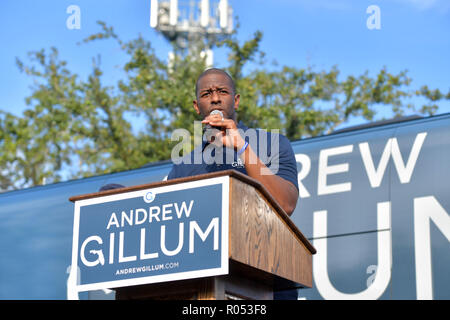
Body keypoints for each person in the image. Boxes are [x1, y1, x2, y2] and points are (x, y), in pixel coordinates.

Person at [168, 68, 299, 217]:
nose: (215, 99)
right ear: (197, 106)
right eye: (206, 94)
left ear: (236, 101)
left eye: (223, 92)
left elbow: (285, 204)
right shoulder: (183, 166)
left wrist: (242, 148)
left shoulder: (272, 143)